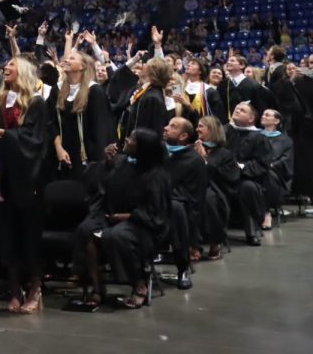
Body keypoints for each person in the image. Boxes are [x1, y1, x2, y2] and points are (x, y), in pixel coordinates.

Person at [0, 50, 49, 314]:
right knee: (7, 238)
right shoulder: (2, 99)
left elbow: (33, 141)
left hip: (27, 181)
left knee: (29, 238)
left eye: (12, 63)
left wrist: (0, 132)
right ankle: (15, 290)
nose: (6, 66)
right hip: (2, 178)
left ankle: (36, 290)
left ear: (23, 71)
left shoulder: (36, 103)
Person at [70, 128, 170, 310]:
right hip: (111, 216)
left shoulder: (156, 175)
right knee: (86, 231)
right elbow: (98, 186)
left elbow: (155, 212)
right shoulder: (121, 162)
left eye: (132, 138)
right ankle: (98, 286)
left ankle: (139, 283)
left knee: (116, 236)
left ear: (143, 148)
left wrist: (126, 216)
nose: (127, 139)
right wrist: (106, 164)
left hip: (141, 223)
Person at [54, 47, 114, 182]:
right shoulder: (58, 91)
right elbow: (52, 124)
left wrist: (98, 165)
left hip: (87, 160)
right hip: (63, 157)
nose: (66, 60)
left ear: (82, 66)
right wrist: (59, 149)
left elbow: (101, 131)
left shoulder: (94, 91)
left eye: (72, 58)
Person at [162, 117, 205, 290]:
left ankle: (182, 268)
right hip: (152, 203)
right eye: (168, 123)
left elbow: (194, 195)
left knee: (176, 209)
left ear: (183, 136)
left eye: (172, 126)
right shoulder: (159, 153)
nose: (165, 128)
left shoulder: (194, 160)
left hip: (179, 206)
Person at [224, 101, 270, 245]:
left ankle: (251, 232)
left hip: (246, 178)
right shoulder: (224, 131)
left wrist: (241, 167)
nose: (237, 110)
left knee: (247, 188)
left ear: (251, 118)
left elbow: (262, 163)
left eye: (242, 110)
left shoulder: (259, 137)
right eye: (236, 108)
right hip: (223, 176)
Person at [194, 116, 233, 260]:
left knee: (208, 200)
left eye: (201, 126)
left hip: (217, 190)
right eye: (197, 126)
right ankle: (193, 244)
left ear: (212, 130)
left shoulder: (225, 155)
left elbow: (228, 178)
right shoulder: (192, 149)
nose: (197, 129)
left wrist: (204, 161)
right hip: (194, 188)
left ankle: (214, 242)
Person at [258, 108, 294, 230]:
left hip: (276, 176)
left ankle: (266, 212)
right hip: (255, 170)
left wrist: (271, 165)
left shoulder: (285, 140)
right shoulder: (256, 135)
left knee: (266, 174)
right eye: (263, 114)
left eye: (267, 115)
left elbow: (285, 161)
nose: (263, 116)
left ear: (276, 121)